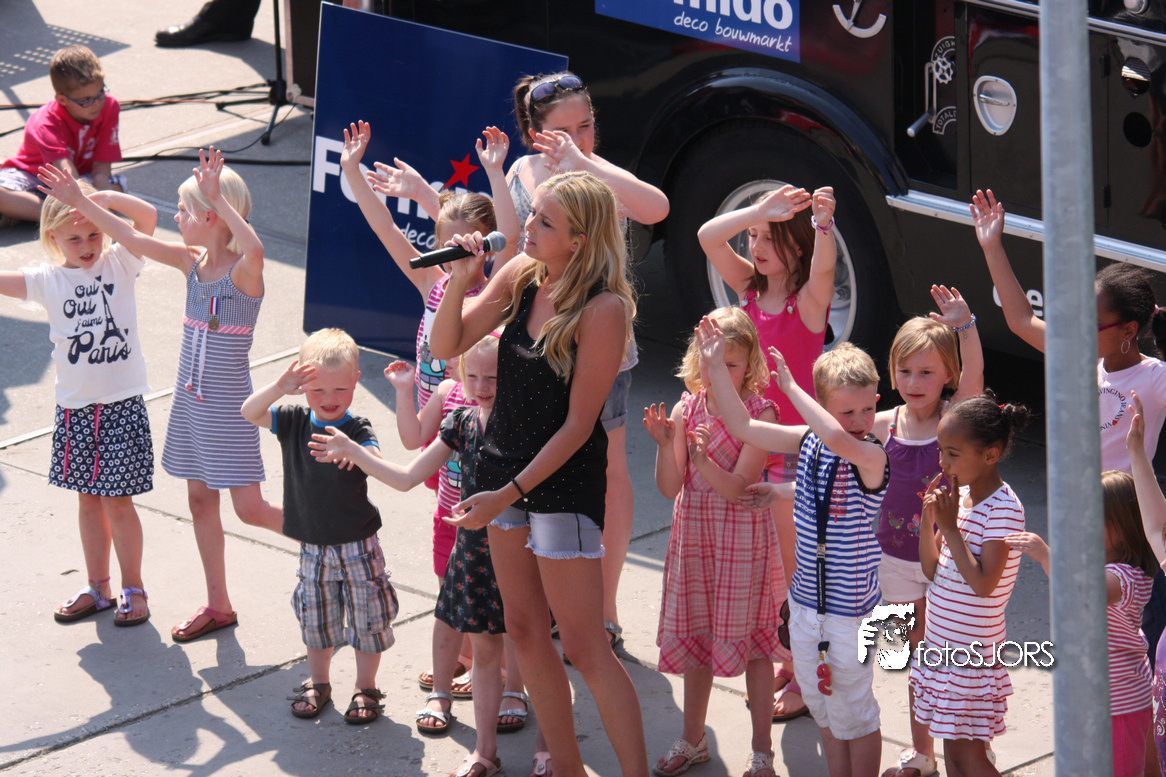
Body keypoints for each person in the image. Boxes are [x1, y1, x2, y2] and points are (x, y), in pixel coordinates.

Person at [429, 171, 646, 777]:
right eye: (533, 214)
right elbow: (446, 344)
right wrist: (460, 281)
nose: (527, 225)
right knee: (524, 631)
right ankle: (568, 768)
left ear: (579, 241)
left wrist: (507, 494)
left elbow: (578, 426)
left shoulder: (603, 309)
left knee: (584, 645)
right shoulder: (523, 275)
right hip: (502, 479)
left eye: (545, 221)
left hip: (560, 489)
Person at [57, 146, 284, 641]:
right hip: (191, 407)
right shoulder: (190, 262)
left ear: (210, 216)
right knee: (200, 503)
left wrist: (216, 198)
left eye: (184, 210)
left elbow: (255, 250)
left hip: (229, 411)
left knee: (250, 510)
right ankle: (219, 605)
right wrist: (83, 201)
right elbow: (130, 235)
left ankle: (331, 535)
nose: (176, 217)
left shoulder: (243, 271)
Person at [342, 119, 523, 717]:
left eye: (461, 248)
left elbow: (513, 237)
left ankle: (498, 664)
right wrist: (351, 171)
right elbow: (385, 228)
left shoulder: (497, 292)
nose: (449, 259)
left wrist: (496, 173)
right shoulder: (434, 284)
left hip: (484, 443)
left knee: (488, 548)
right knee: (452, 542)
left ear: (483, 247)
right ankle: (467, 651)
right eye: (443, 247)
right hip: (440, 431)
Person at [509, 71, 669, 646]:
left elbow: (656, 207)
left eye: (586, 125)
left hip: (601, 349)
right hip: (537, 350)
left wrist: (584, 162)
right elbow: (509, 255)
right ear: (536, 135)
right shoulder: (523, 174)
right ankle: (551, 601)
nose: (578, 139)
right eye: (563, 132)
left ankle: (604, 606)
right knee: (537, 468)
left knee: (608, 471)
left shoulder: (601, 177)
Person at [699, 318, 889, 777]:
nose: (860, 421)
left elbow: (837, 440)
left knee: (856, 713)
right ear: (825, 409)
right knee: (825, 707)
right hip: (805, 605)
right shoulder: (809, 442)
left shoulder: (871, 455)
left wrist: (791, 388)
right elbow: (743, 425)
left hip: (850, 614)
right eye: (847, 411)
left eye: (867, 409)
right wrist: (716, 367)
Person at [312, 334, 508, 776]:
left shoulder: (523, 423)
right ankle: (484, 750)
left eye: (493, 377)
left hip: (516, 552)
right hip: (473, 551)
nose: (481, 386)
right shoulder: (460, 421)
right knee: (477, 645)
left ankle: (538, 747)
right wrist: (353, 451)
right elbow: (406, 477)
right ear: (460, 373)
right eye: (473, 376)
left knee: (522, 648)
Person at [697, 182, 836, 723]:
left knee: (797, 569)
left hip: (794, 454)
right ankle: (790, 656)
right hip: (750, 442)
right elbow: (708, 237)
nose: (754, 246)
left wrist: (822, 226)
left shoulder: (808, 303)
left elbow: (824, 267)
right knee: (772, 569)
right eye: (752, 236)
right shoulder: (749, 291)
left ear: (796, 246)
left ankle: (804, 675)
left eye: (768, 238)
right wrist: (758, 210)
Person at [0, 166, 156, 626]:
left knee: (118, 503)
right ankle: (98, 587)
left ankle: (134, 588)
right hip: (75, 411)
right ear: (52, 238)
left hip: (121, 405)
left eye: (93, 234)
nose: (87, 245)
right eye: (75, 238)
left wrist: (98, 201)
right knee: (88, 500)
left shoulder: (120, 261)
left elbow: (147, 218)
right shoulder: (47, 280)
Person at [642, 307, 780, 777]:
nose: (716, 367)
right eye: (709, 357)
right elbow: (669, 487)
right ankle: (692, 738)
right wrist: (666, 446)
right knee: (697, 639)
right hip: (696, 540)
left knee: (758, 649)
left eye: (729, 362)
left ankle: (762, 750)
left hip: (741, 544)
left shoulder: (761, 413)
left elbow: (739, 488)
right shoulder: (688, 408)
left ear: (750, 365)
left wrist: (701, 462)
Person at [240, 328, 398, 723]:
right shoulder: (293, 420)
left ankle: (366, 687)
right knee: (316, 620)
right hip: (312, 545)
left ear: (356, 381)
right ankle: (319, 682)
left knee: (368, 620)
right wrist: (279, 387)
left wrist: (353, 451)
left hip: (358, 544)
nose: (330, 399)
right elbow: (249, 412)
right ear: (302, 387)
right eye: (317, 390)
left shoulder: (357, 429)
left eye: (340, 389)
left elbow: (377, 462)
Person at [972, 188, 1166, 472]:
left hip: (1123, 501)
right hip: (1075, 498)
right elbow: (1021, 320)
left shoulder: (1155, 378)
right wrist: (992, 247)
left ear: (1128, 331)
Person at [871, 287, 984, 777]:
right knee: (910, 657)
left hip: (948, 562)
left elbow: (976, 376)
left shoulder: (952, 422)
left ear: (948, 377)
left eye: (926, 372)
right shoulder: (881, 425)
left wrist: (965, 326)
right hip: (893, 562)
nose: (913, 382)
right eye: (904, 371)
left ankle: (973, 746)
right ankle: (922, 752)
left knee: (957, 655)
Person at [1005, 466, 1156, 777]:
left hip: (1119, 705)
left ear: (1124, 527)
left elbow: (1080, 593)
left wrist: (1047, 556)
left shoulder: (1125, 577)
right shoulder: (1107, 569)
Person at [912, 396, 1028, 777]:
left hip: (970, 656)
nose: (943, 462)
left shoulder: (1003, 509)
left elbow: (983, 584)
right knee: (954, 757)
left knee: (970, 758)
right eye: (941, 451)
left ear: (990, 455)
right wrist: (930, 521)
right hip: (943, 648)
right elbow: (933, 570)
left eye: (953, 453)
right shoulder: (961, 501)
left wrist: (949, 528)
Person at [1, 46, 123, 228]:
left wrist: (104, 196)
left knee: (116, 189)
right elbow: (67, 173)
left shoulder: (110, 107)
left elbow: (101, 169)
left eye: (100, 93)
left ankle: (28, 213)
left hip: (83, 176)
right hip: (34, 175)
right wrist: (92, 208)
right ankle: (65, 215)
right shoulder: (45, 122)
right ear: (62, 98)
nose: (96, 104)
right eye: (86, 100)